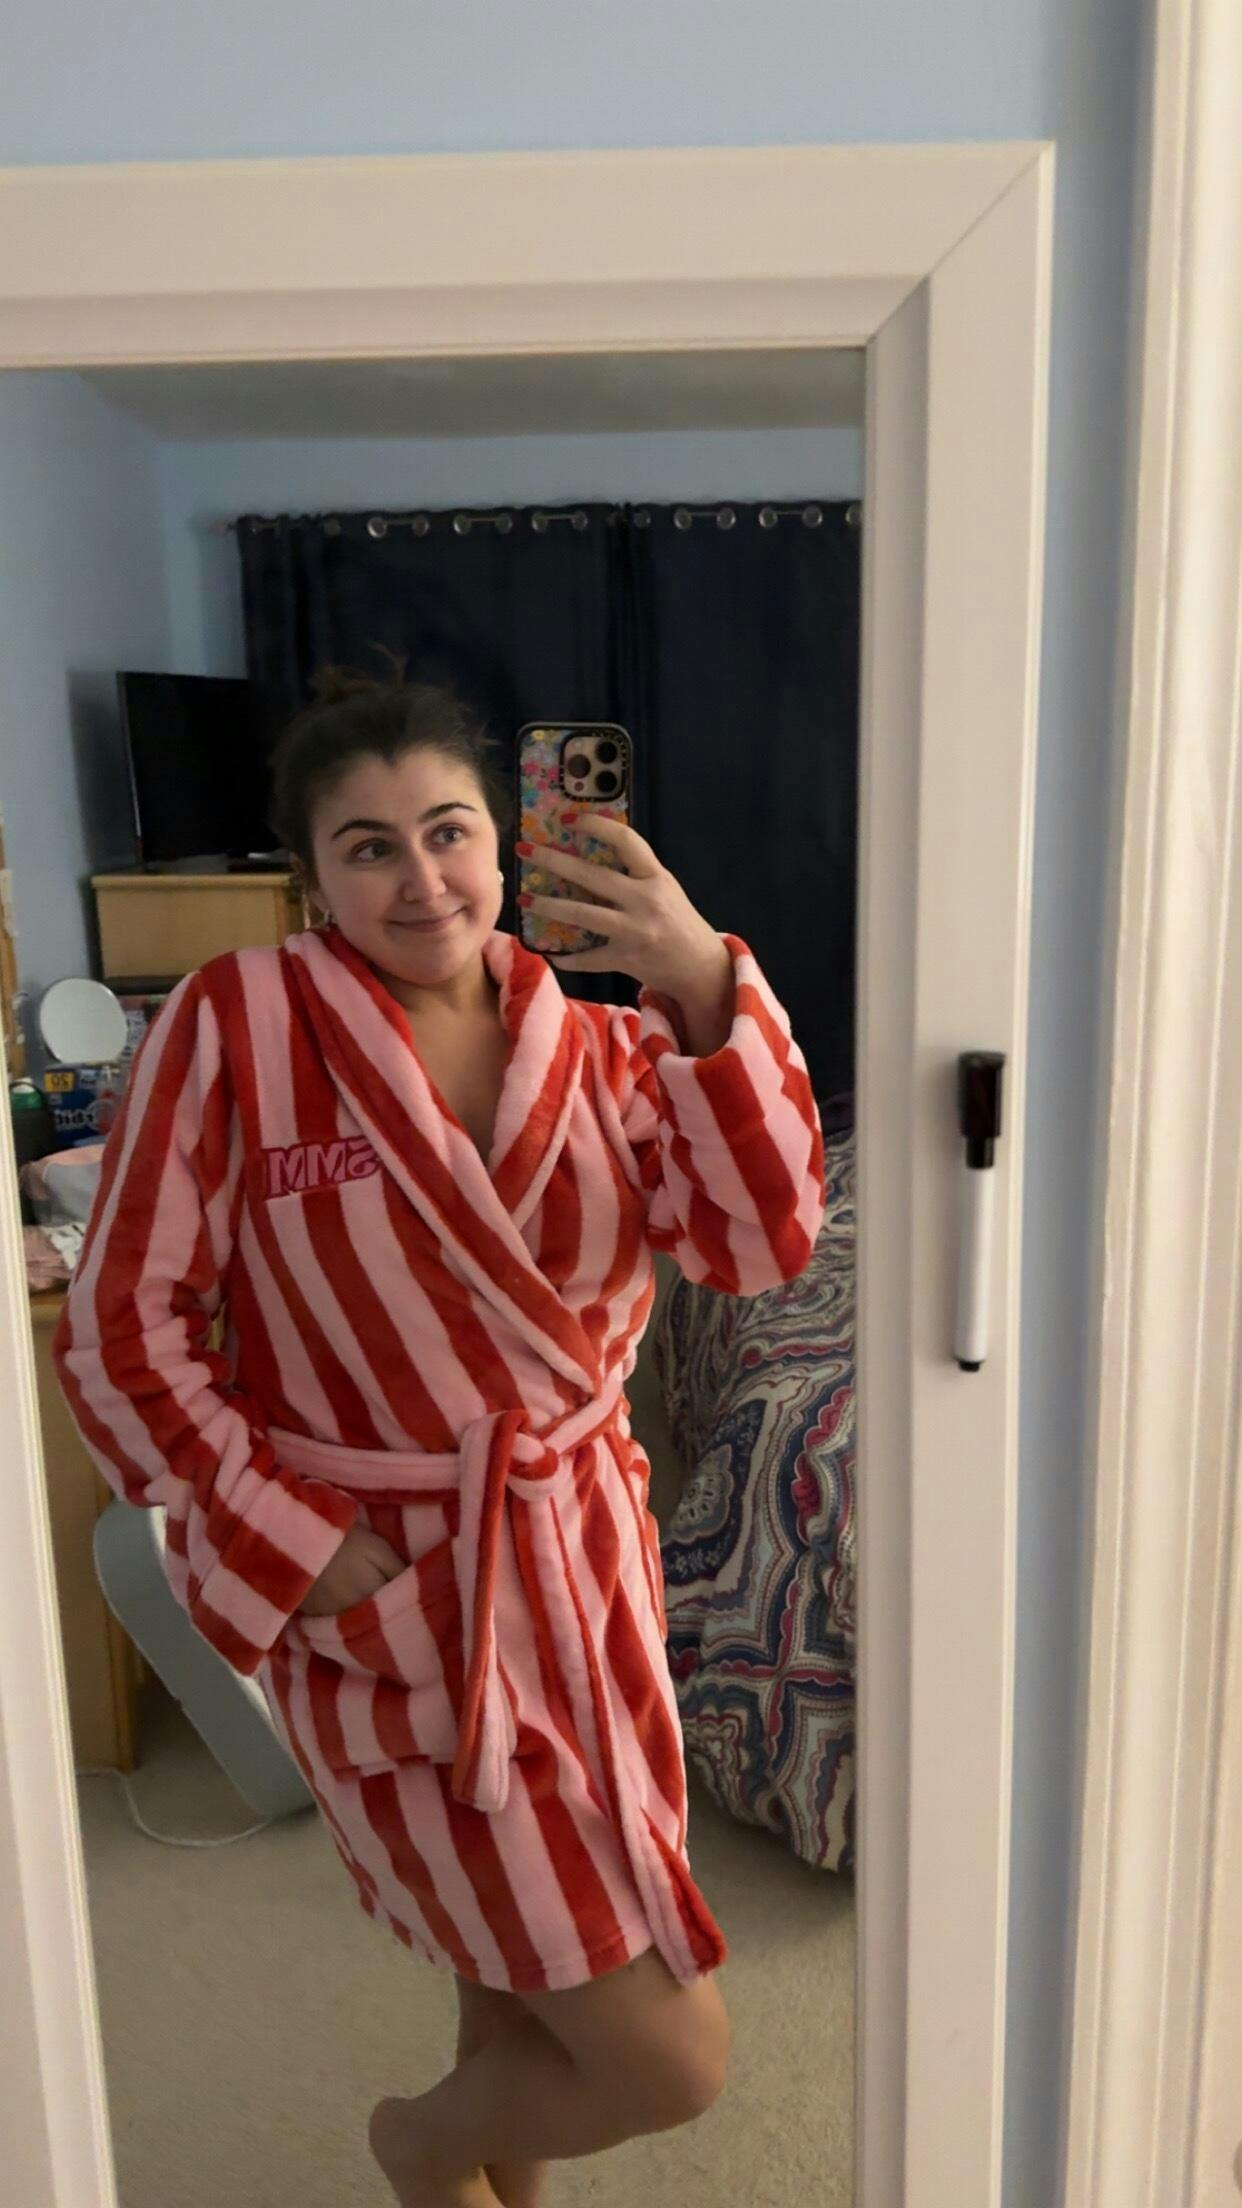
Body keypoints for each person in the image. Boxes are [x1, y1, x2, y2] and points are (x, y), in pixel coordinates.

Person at [53, 672, 826, 2208]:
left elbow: (760, 1240)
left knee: (518, 1976)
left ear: (504, 839)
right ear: (310, 878)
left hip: (580, 1575)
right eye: (369, 846)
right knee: (667, 2057)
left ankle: (452, 2179)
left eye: (449, 830)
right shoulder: (238, 1025)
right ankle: (417, 2143)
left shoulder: (605, 1048)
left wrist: (697, 978)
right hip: (389, 1587)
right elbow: (122, 1328)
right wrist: (301, 1548)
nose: (422, 880)